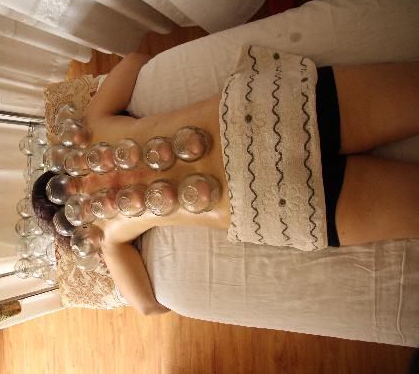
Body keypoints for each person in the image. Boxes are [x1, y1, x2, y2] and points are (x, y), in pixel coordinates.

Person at [33, 51, 419, 315]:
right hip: (266, 124)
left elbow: (148, 307)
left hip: (271, 191)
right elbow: (135, 59)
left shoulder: (104, 232)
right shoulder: (93, 128)